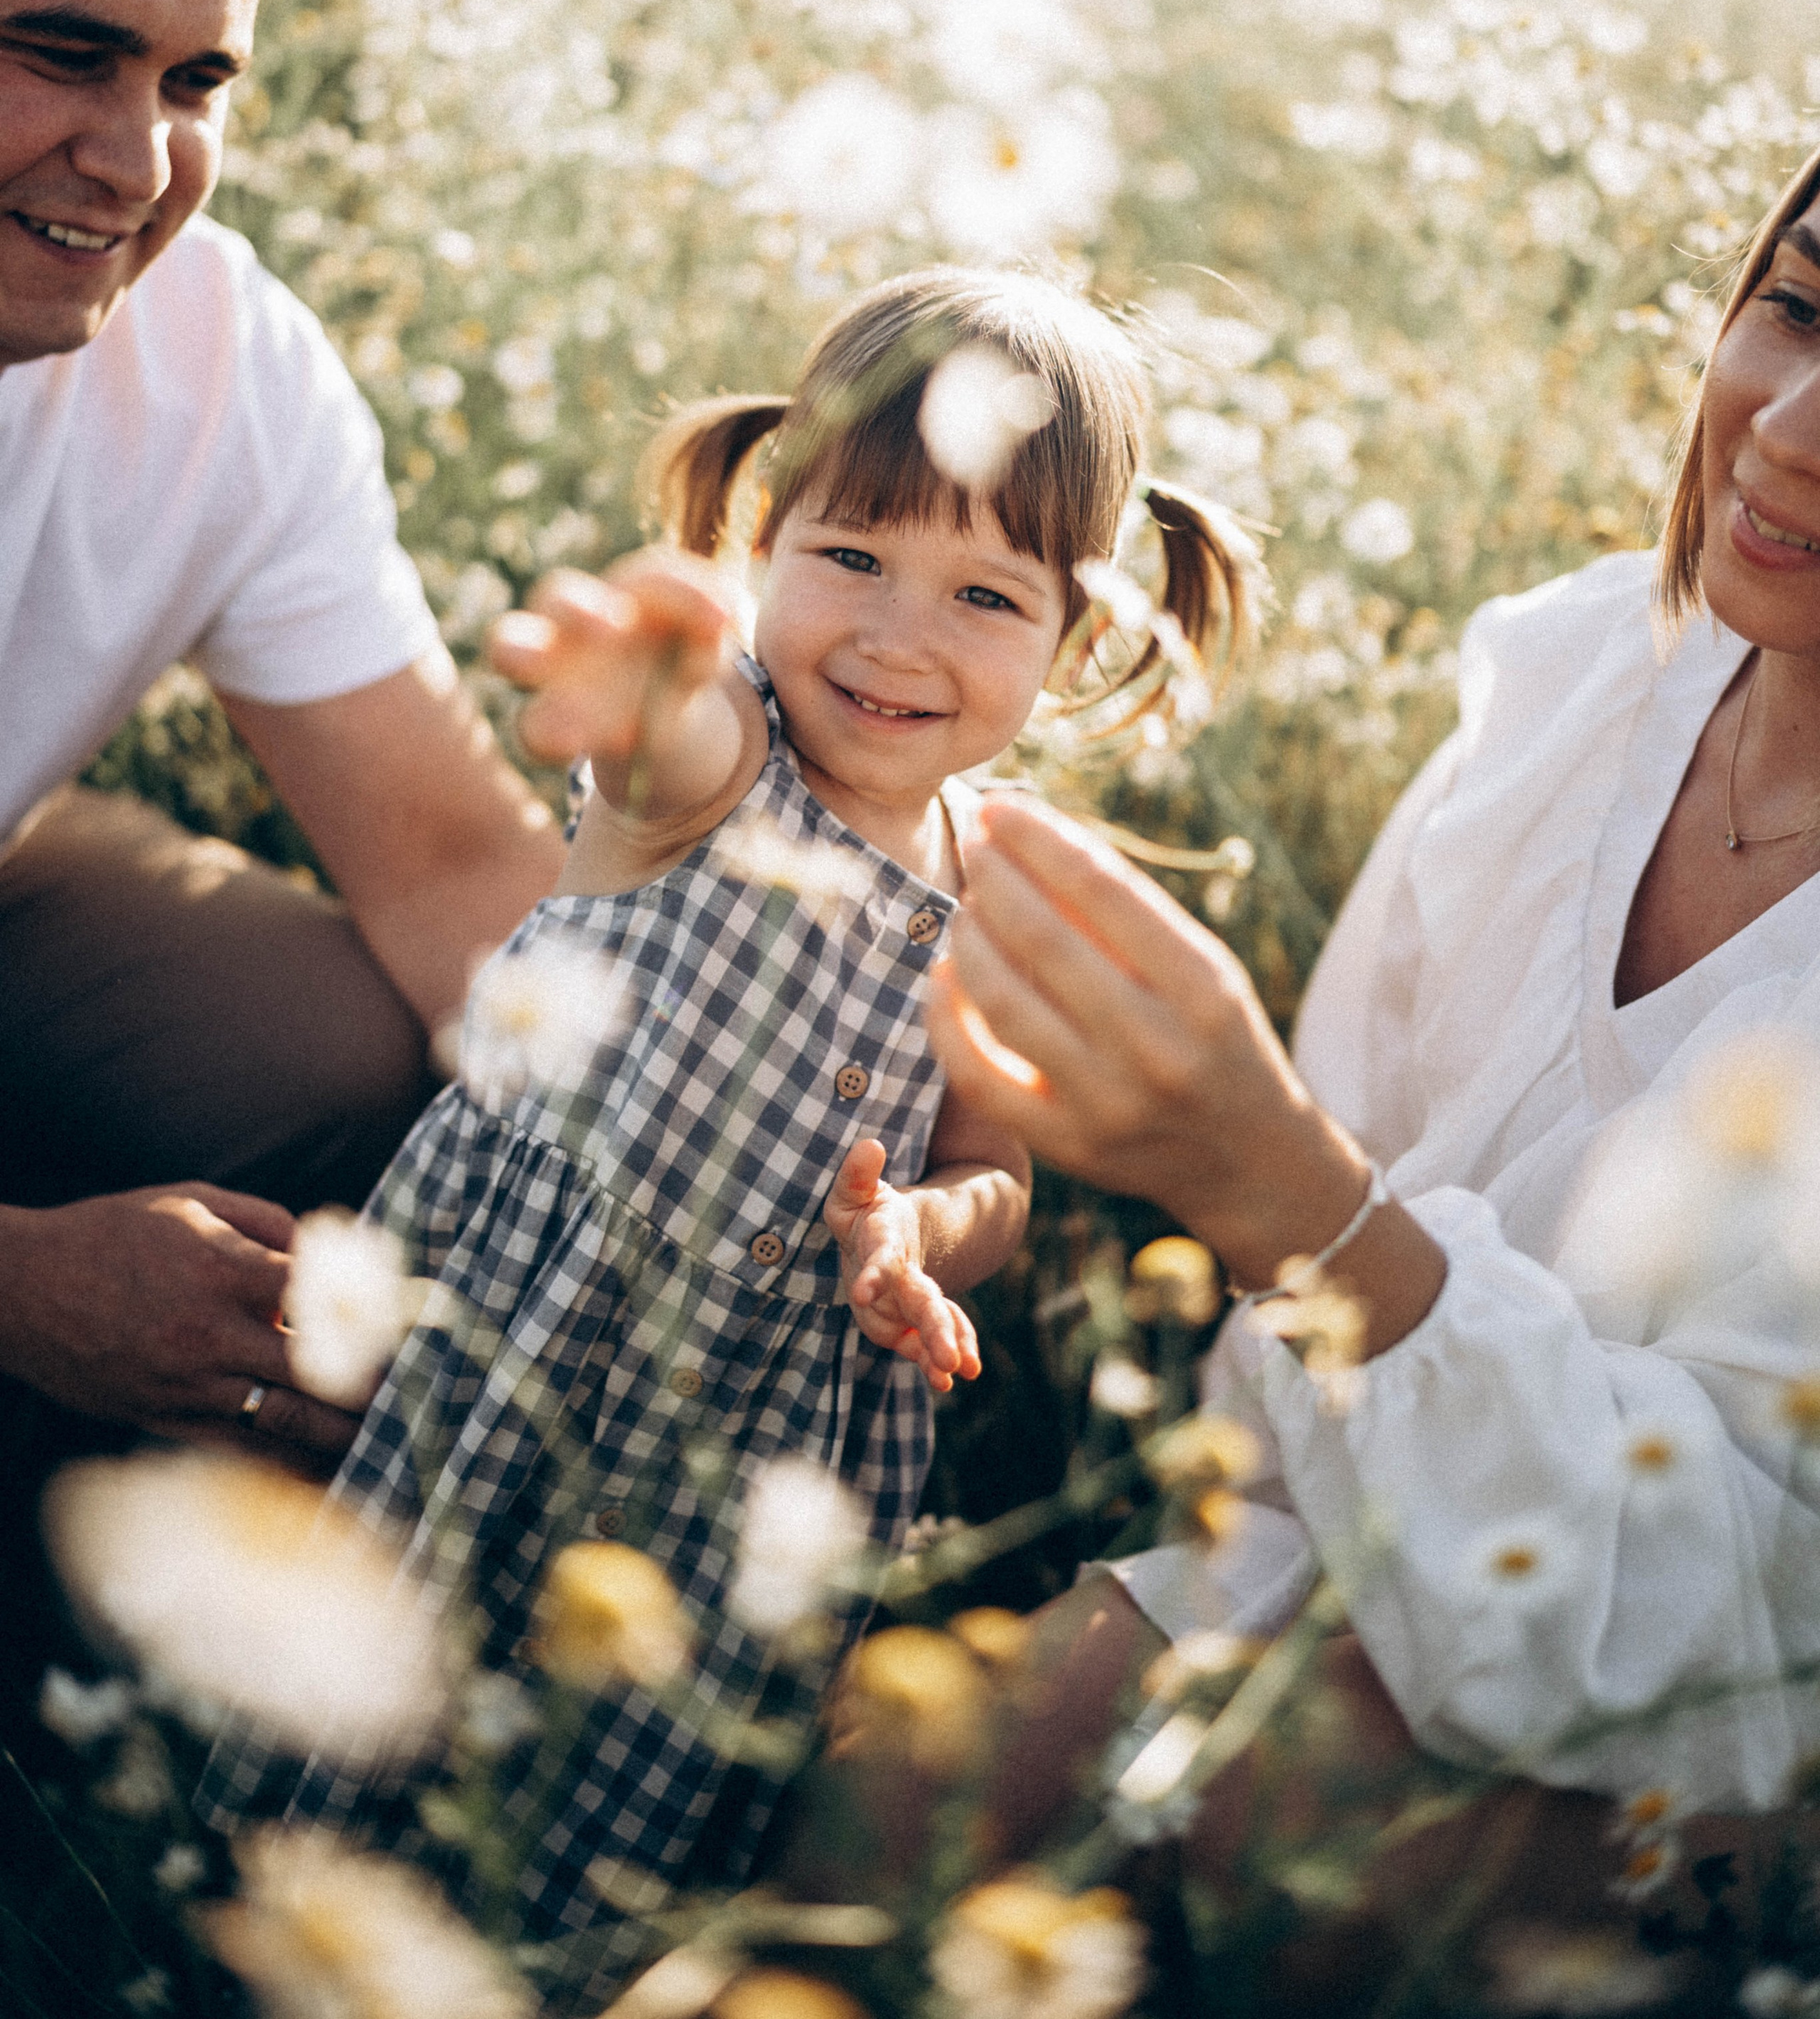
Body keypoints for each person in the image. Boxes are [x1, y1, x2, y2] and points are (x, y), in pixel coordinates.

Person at [206, 267, 1263, 1998]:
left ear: (1071, 645)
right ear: (765, 539)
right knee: (403, 1673)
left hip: (770, 1413)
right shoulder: (727, 766)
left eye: (982, 594)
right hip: (545, 1322)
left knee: (618, 1760)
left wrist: (925, 1238)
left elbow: (997, 1164)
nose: (895, 638)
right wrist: (633, 681)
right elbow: (661, 748)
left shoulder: (993, 878)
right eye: (848, 558)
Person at [924, 149, 1820, 1887]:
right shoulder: (1569, 681)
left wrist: (1283, 1195)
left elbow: (1739, 1630)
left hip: (1714, 1737)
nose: (1784, 429)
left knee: (1284, 1842)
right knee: (908, 1782)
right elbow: (1273, 1409)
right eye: (1792, 307)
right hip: (1347, 1537)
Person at [0, 0, 563, 1477]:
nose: (138, 160)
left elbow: (455, 858)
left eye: (194, 82)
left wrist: (697, 1187)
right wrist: (24, 1287)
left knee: (357, 1042)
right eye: (68, 55)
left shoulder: (220, 359)